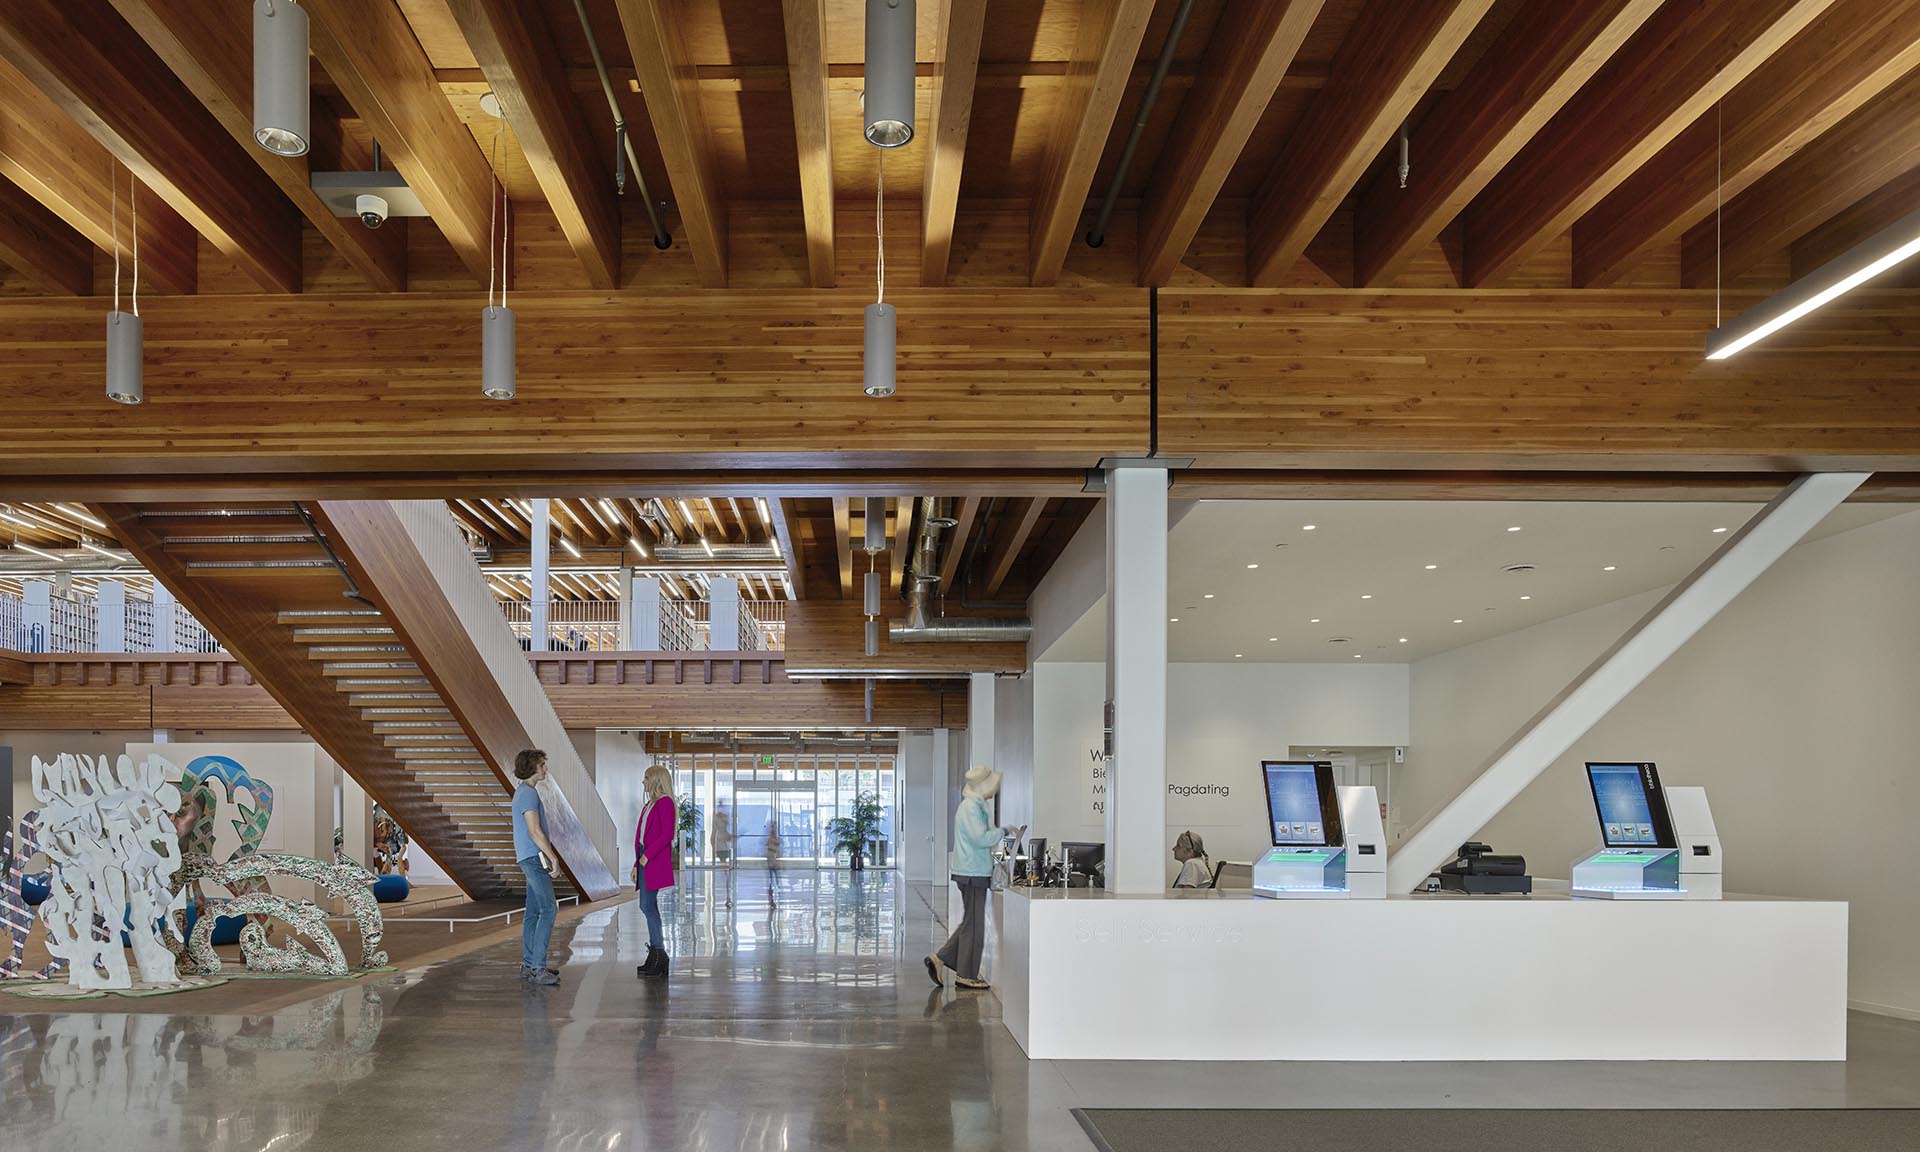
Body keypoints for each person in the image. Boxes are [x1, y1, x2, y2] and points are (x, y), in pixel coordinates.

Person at [926, 765, 1008, 992]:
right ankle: (966, 974)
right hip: (972, 872)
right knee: (974, 926)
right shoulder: (971, 808)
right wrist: (1003, 832)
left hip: (972, 870)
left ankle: (940, 958)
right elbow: (980, 839)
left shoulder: (974, 806)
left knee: (970, 923)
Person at [512, 749, 561, 986]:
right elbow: (534, 831)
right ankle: (538, 968)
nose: (545, 769)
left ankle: (529, 964)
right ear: (532, 767)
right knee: (549, 910)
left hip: (529, 857)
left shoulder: (524, 792)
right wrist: (553, 857)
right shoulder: (528, 794)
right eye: (542, 765)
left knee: (533, 913)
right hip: (534, 858)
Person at [633, 766, 677, 979]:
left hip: (653, 859)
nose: (643, 781)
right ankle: (656, 953)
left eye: (646, 777)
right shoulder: (649, 804)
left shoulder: (665, 803)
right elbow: (641, 835)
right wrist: (636, 863)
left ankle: (659, 953)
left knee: (647, 905)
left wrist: (647, 856)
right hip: (644, 857)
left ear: (656, 780)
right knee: (647, 905)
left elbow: (667, 833)